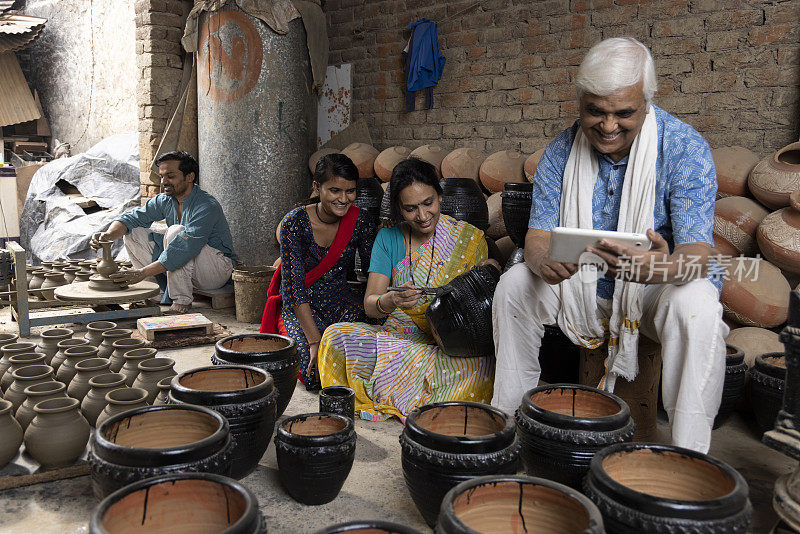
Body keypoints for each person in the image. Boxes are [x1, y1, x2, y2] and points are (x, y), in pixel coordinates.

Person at [492, 37, 726, 453]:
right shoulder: (560, 151)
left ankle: (690, 456)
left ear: (648, 102)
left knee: (699, 306)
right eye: (595, 111)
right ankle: (510, 426)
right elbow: (537, 238)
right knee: (513, 286)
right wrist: (543, 260)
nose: (608, 125)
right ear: (579, 101)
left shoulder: (684, 148)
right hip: (581, 288)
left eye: (624, 113)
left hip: (653, 290)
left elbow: (697, 255)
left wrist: (662, 269)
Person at [317, 158, 498, 421]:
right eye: (411, 209)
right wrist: (391, 300)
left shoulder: (468, 238)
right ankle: (428, 397)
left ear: (440, 195)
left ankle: (400, 388)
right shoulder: (388, 238)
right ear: (399, 209)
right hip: (397, 339)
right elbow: (370, 304)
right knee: (335, 336)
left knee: (483, 365)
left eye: (428, 203)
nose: (423, 216)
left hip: (447, 347)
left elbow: (479, 311)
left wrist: (492, 270)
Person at [262, 153, 377, 390]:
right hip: (301, 306)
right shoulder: (294, 222)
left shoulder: (361, 221)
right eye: (335, 190)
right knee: (315, 374)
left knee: (378, 349)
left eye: (350, 191)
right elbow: (293, 289)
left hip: (339, 300)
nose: (344, 199)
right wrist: (314, 341)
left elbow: (371, 273)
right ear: (317, 187)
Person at [91, 151, 236, 314]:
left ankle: (181, 301)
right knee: (133, 232)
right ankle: (157, 292)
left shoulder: (206, 205)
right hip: (188, 267)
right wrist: (108, 235)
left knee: (176, 233)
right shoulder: (166, 200)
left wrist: (141, 273)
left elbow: (184, 247)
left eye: (170, 176)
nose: (164, 182)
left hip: (215, 271)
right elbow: (131, 218)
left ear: (189, 177)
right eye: (161, 176)